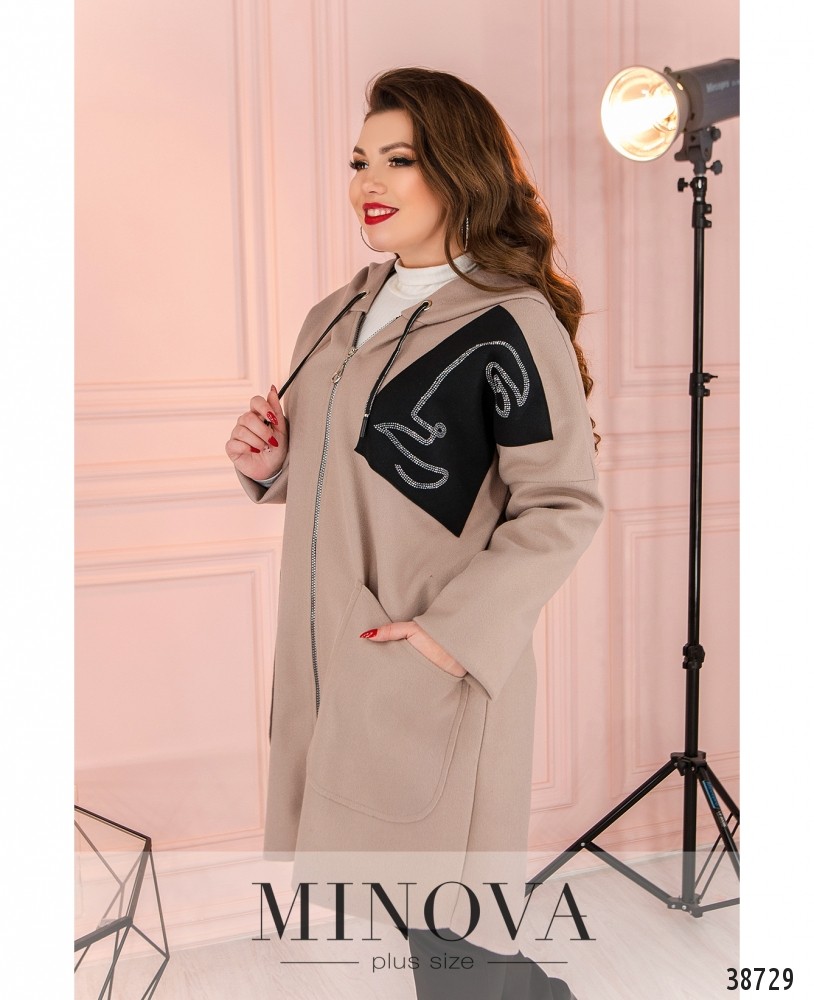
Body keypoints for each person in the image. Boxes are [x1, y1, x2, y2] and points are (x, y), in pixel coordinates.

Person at [226, 67, 603, 1000]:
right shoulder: (336, 314)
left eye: (399, 160)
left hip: (433, 661)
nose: (370, 182)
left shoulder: (509, 322)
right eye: (360, 161)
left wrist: (448, 637)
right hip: (330, 655)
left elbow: (562, 504)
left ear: (458, 171)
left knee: (450, 927)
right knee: (384, 910)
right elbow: (361, 469)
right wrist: (270, 462)